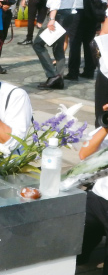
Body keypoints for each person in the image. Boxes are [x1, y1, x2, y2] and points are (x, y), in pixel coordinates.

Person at [33, 0, 78, 90]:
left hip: (58, 14)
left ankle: (53, 76)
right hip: (68, 12)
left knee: (38, 44)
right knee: (58, 48)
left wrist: (52, 17)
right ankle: (59, 78)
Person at [76, 109, 108, 274]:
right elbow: (84, 154)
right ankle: (83, 257)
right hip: (99, 197)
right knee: (76, 234)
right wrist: (105, 127)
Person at [66, 0, 106, 80]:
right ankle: (89, 70)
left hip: (79, 9)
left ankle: (73, 72)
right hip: (94, 11)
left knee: (75, 42)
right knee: (89, 41)